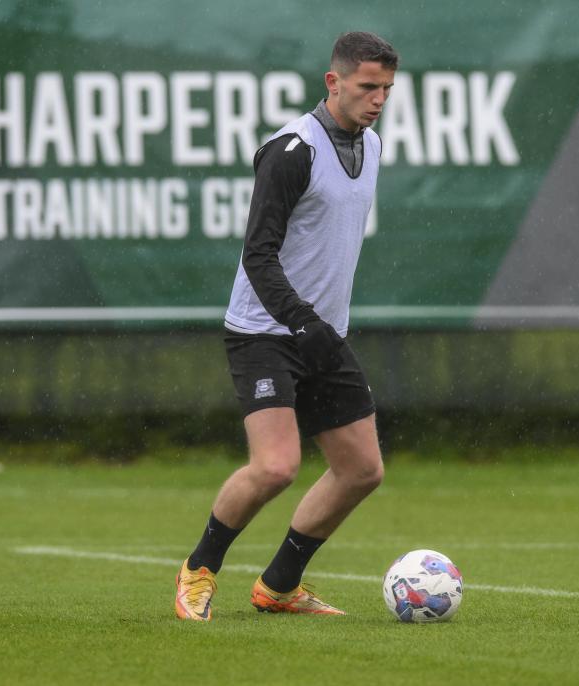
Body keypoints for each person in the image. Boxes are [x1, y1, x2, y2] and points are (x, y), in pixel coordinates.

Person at [175, 31, 398, 621]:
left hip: (323, 333)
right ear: (334, 81)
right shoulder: (292, 150)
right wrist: (302, 321)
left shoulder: (371, 145)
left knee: (361, 470)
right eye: (367, 86)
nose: (378, 99)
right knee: (275, 467)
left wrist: (321, 327)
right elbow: (259, 255)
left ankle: (278, 586)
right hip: (265, 330)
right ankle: (199, 570)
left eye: (387, 89)